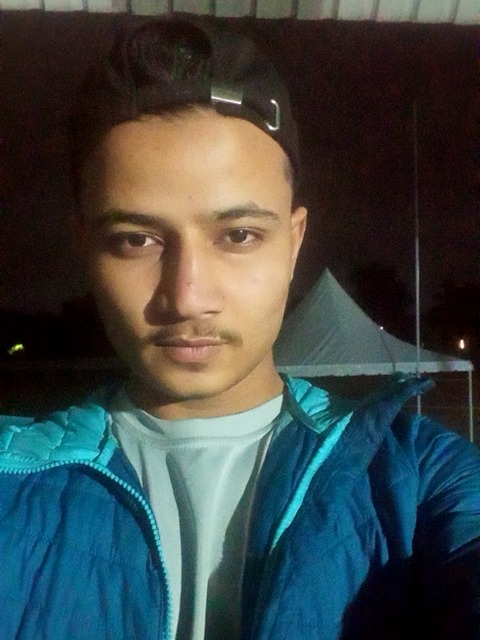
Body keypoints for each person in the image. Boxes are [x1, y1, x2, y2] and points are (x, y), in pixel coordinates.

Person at [0, 17, 478, 640]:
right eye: (136, 239)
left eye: (239, 235)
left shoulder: (417, 480)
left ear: (293, 242)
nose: (187, 297)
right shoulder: (11, 478)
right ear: (85, 247)